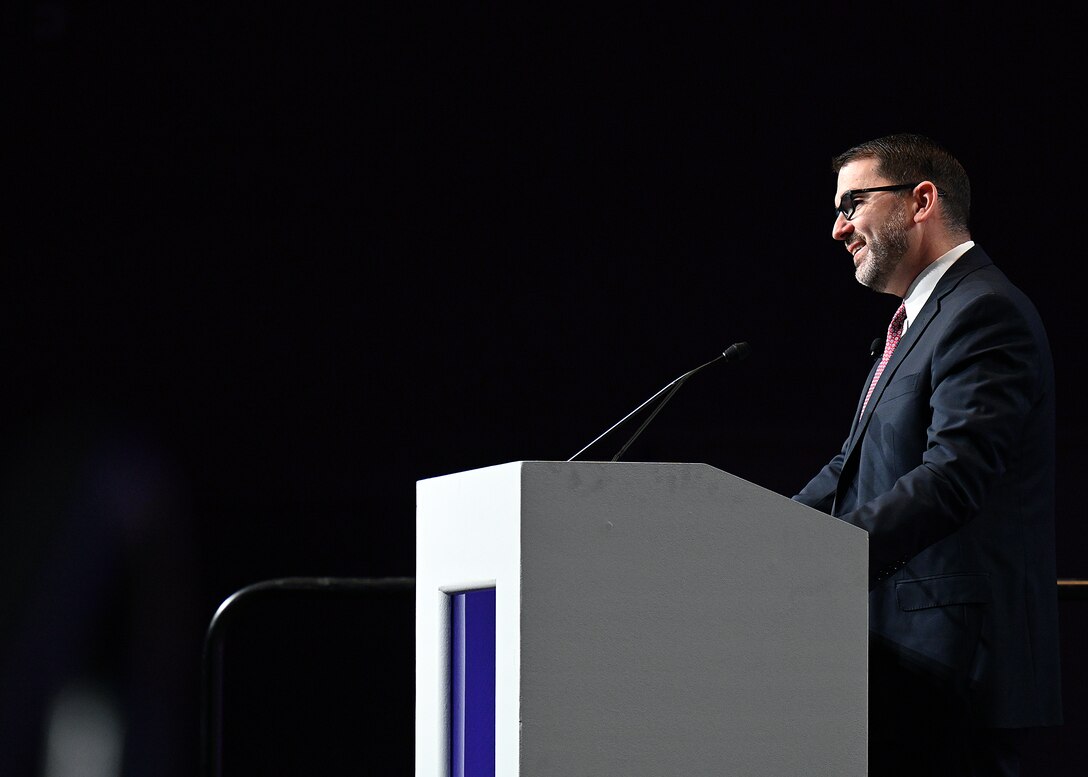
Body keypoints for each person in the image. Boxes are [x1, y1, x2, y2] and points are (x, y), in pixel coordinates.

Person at [793, 133, 1062, 776]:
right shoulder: (921, 320)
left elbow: (953, 476)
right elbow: (849, 468)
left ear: (921, 200)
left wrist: (814, 559)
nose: (838, 229)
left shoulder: (984, 310)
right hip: (905, 669)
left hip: (957, 668)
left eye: (852, 203)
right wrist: (761, 534)